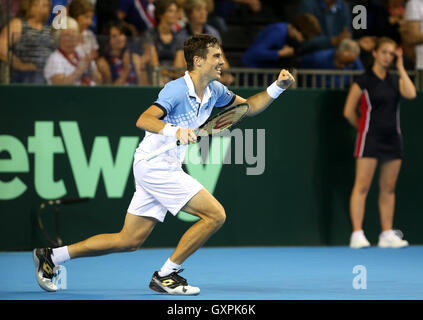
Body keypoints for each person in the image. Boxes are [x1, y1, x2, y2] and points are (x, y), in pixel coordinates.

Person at [33, 33, 295, 295]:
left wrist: (277, 87)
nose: (222, 61)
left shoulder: (215, 90)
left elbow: (248, 107)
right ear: (198, 60)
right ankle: (166, 275)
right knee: (215, 215)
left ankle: (52, 256)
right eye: (216, 56)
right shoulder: (176, 89)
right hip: (156, 165)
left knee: (129, 240)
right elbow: (144, 119)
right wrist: (176, 131)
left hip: (161, 165)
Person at [343, 37, 416, 249]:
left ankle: (386, 233)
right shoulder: (363, 81)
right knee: (362, 186)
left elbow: (411, 94)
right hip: (369, 138)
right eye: (384, 52)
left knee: (389, 188)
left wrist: (401, 67)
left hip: (393, 138)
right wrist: (364, 129)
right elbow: (348, 111)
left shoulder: (395, 80)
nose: (388, 57)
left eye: (392, 54)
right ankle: (357, 234)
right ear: (374, 53)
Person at [174, 0, 234, 85]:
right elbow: (180, 65)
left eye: (205, 10)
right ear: (189, 14)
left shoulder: (213, 32)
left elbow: (221, 57)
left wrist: (227, 75)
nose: (203, 13)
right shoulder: (181, 35)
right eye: (198, 10)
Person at [0, 0, 55, 83]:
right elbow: (2, 47)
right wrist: (19, 65)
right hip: (25, 75)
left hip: (48, 73)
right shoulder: (18, 24)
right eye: (40, 4)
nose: (43, 9)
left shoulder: (49, 29)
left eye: (46, 6)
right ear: (31, 7)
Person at [242, 13, 322, 69]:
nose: (304, 40)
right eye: (305, 37)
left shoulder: (291, 39)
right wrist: (279, 53)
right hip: (249, 72)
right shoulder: (278, 31)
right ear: (298, 29)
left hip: (263, 76)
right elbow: (254, 53)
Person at [43, 16, 102, 85]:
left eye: (74, 33)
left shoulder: (82, 54)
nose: (72, 37)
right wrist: (79, 70)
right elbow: (59, 86)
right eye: (67, 34)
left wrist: (90, 67)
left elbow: (99, 81)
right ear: (58, 37)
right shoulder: (55, 59)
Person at [97, 20, 150, 85]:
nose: (119, 38)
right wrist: (126, 71)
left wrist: (142, 66)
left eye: (121, 34)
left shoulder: (134, 57)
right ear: (107, 40)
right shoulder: (103, 62)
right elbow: (109, 92)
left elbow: (144, 86)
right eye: (114, 36)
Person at [145, 0, 182, 85]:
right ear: (160, 14)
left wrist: (171, 75)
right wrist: (169, 74)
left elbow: (178, 68)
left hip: (173, 80)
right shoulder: (150, 35)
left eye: (176, 11)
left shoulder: (178, 37)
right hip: (155, 79)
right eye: (170, 11)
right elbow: (154, 66)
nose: (175, 14)